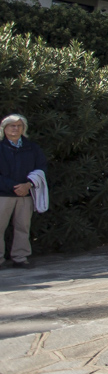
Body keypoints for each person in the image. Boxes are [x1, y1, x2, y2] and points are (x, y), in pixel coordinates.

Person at [0, 114, 48, 268]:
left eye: (19, 125)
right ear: (4, 128)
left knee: (23, 227)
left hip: (26, 194)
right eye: (12, 126)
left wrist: (28, 185)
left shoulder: (32, 148)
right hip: (3, 195)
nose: (15, 128)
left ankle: (20, 257)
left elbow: (41, 167)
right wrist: (14, 187)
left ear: (23, 128)